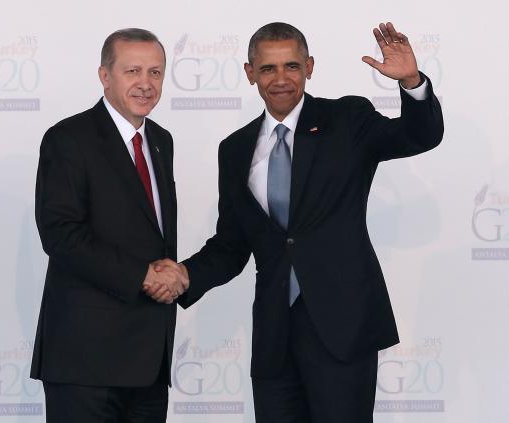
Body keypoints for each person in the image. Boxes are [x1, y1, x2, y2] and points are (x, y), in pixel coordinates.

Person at [145, 22, 444, 422]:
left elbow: (418, 136)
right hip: (274, 336)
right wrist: (185, 274)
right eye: (268, 69)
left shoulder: (347, 119)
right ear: (250, 73)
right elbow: (232, 244)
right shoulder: (234, 149)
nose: (281, 79)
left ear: (309, 67)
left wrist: (411, 82)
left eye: (291, 66)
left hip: (343, 328)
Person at [30, 28, 188, 423]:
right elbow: (60, 234)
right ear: (105, 76)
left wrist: (174, 276)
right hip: (85, 361)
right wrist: (142, 276)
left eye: (155, 72)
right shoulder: (68, 138)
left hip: (149, 360)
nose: (145, 84)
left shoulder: (161, 141)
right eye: (132, 71)